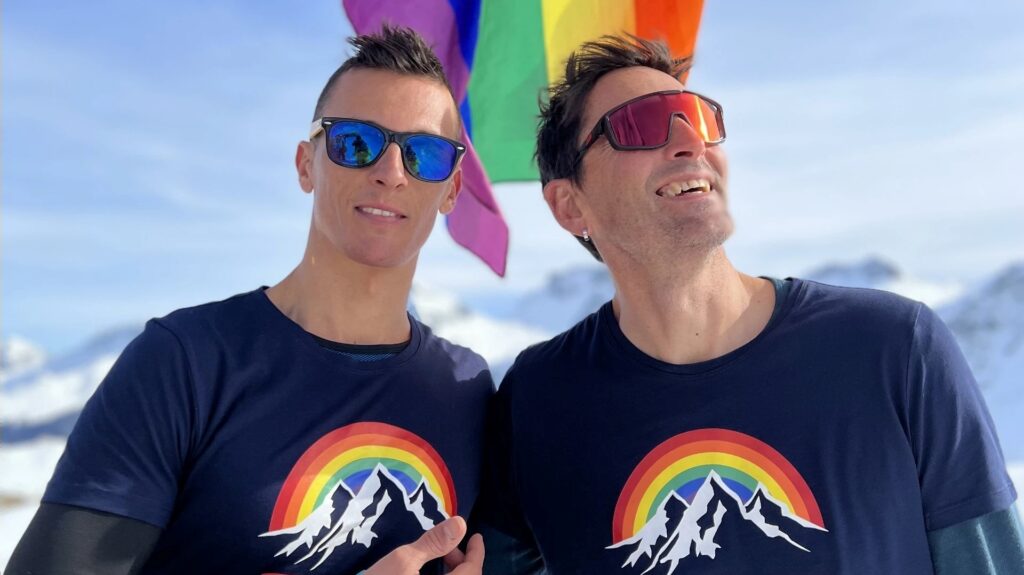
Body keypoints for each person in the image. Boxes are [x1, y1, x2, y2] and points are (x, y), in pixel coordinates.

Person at [473, 34, 1024, 574]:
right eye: (639, 125)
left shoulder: (895, 348)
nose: (692, 143)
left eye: (700, 118)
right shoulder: (538, 399)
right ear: (570, 205)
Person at [9, 25, 489, 575]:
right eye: (356, 142)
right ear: (306, 164)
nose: (390, 173)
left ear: (451, 188)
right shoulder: (184, 363)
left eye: (424, 154)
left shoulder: (468, 392)